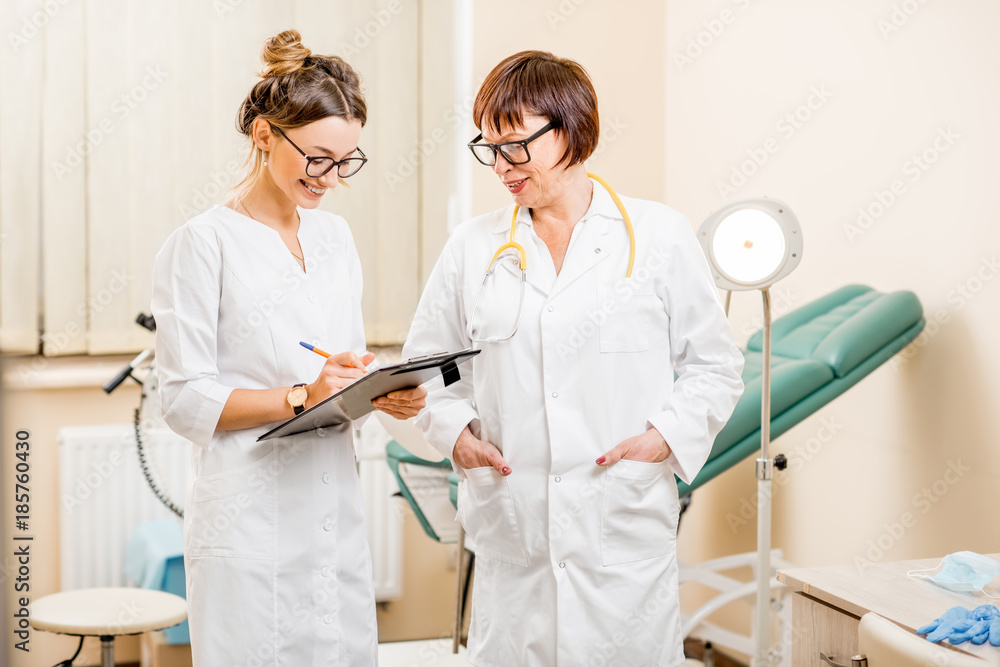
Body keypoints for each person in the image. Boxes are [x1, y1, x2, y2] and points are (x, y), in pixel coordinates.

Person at [402, 50, 744, 667]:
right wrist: (456, 436)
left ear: (571, 130)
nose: (502, 166)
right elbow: (426, 371)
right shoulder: (472, 246)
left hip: (621, 529)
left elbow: (715, 365)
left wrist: (664, 438)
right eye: (489, 148)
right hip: (515, 535)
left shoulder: (660, 236)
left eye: (517, 146)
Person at [151, 29, 425, 666]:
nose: (332, 177)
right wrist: (303, 396)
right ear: (265, 135)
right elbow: (185, 401)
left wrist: (375, 390)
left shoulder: (335, 238)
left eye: (347, 161)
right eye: (318, 157)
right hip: (248, 514)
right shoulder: (203, 244)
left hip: (331, 504)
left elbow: (340, 362)